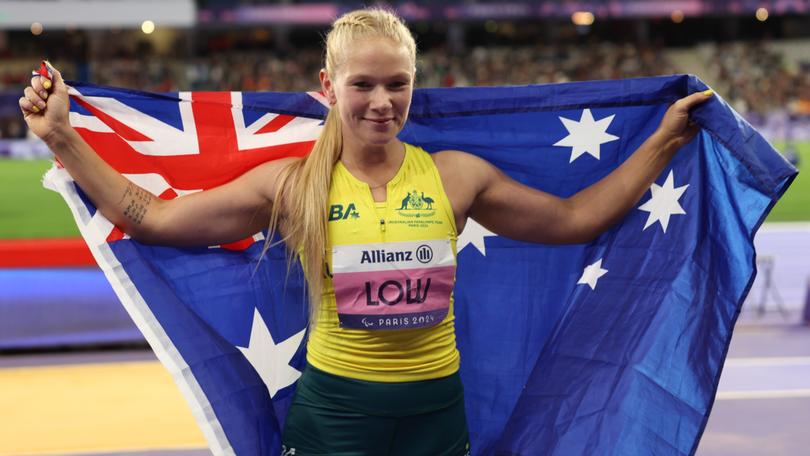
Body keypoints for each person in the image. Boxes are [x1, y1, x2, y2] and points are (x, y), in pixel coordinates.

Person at [19, 8, 712, 456]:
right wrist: (64, 141)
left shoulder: (456, 177)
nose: (382, 103)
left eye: (398, 84)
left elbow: (575, 220)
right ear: (329, 85)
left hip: (436, 414)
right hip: (334, 419)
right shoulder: (291, 185)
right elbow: (157, 219)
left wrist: (663, 143)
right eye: (364, 85)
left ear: (415, 84)